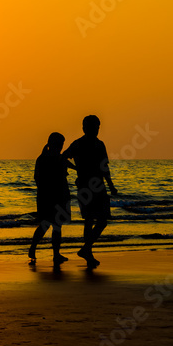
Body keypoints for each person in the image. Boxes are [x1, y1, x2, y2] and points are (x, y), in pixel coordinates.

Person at [63, 115, 118, 268]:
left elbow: (104, 167)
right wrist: (75, 168)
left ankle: (87, 249)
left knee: (100, 221)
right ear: (85, 128)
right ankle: (88, 252)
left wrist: (111, 185)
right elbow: (63, 157)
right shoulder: (80, 144)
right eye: (94, 127)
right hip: (88, 187)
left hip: (96, 186)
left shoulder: (97, 144)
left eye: (97, 127)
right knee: (90, 220)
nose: (96, 129)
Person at [28, 132, 73, 266]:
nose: (60, 147)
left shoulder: (47, 158)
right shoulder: (44, 159)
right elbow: (38, 179)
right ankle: (35, 249)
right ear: (53, 144)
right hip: (51, 196)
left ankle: (54, 254)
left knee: (53, 226)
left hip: (54, 196)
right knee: (48, 225)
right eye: (59, 144)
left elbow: (68, 164)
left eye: (62, 144)